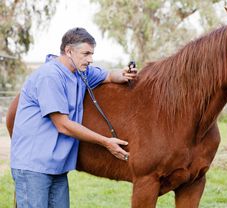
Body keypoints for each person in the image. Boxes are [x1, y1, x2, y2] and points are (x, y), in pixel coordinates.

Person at [10, 27, 137, 208]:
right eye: (86, 54)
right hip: (33, 167)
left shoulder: (80, 73)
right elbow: (63, 125)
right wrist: (106, 142)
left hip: (57, 168)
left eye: (92, 54)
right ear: (69, 51)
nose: (90, 59)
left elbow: (108, 75)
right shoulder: (49, 76)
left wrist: (123, 75)